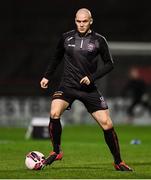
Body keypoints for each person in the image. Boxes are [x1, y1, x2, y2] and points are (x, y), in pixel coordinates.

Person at [40, 8, 132, 171]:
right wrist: (47, 76)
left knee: (107, 124)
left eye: (84, 21)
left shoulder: (99, 40)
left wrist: (92, 77)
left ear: (91, 21)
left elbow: (110, 64)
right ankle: (56, 151)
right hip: (67, 85)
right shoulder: (66, 37)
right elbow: (56, 57)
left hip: (88, 88)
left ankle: (118, 162)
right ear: (75, 21)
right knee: (54, 113)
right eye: (78, 21)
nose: (81, 24)